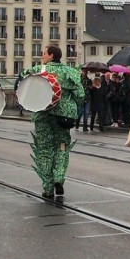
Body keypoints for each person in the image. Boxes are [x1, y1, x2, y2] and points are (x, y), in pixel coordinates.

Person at [20, 45, 84, 199]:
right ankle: (59, 177)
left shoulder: (38, 70)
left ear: (51, 56)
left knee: (45, 150)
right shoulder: (70, 72)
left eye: (44, 54)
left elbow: (23, 81)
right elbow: (80, 95)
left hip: (43, 115)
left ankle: (48, 187)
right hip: (63, 117)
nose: (42, 56)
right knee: (61, 146)